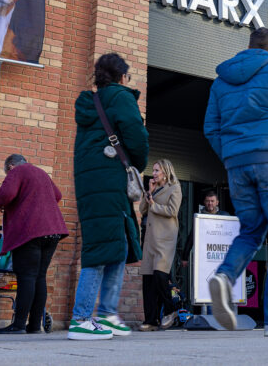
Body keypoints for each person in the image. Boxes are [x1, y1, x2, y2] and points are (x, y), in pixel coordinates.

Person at [203, 26, 268, 338]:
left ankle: (224, 276)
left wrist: (231, 156)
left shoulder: (221, 80)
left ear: (248, 47)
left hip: (238, 166)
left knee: (250, 231)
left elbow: (211, 127)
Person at [68, 53, 150, 340]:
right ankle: (81, 319)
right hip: (110, 177)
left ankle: (107, 314)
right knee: (100, 249)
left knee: (117, 243)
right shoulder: (121, 97)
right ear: (122, 77)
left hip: (91, 180)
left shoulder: (89, 103)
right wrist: (137, 163)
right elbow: (137, 137)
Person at [0, 154, 70, 334]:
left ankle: (18, 325)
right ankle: (34, 325)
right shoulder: (41, 173)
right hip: (53, 231)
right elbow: (57, 195)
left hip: (31, 232)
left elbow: (6, 194)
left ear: (10, 166)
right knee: (39, 277)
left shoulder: (17, 171)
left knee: (26, 276)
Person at [139, 159, 182, 331]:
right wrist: (149, 193)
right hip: (150, 240)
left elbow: (172, 211)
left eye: (157, 170)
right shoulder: (154, 189)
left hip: (165, 239)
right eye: (154, 170)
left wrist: (154, 205)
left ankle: (171, 309)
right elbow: (142, 210)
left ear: (166, 172)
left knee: (160, 275)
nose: (154, 173)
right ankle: (151, 320)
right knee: (148, 281)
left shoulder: (175, 188)